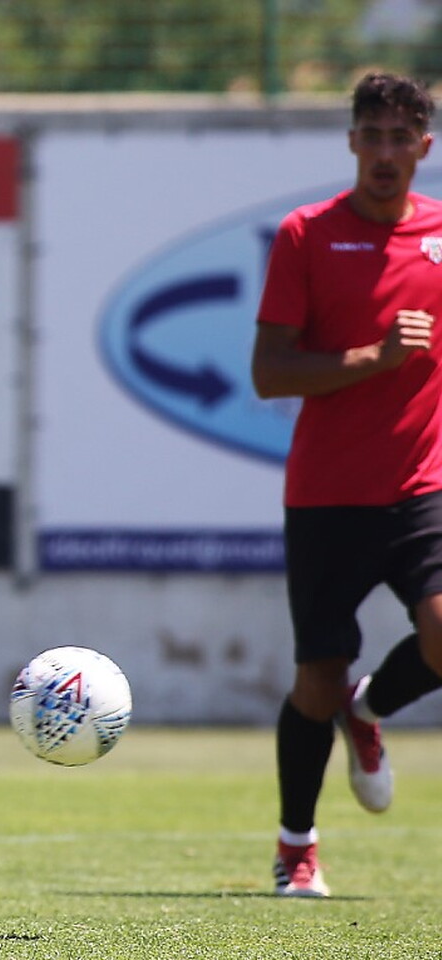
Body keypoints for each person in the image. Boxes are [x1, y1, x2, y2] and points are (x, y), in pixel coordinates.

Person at [252, 72, 442, 898]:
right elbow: (269, 372)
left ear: (424, 148)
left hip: (421, 489)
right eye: (374, 136)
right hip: (327, 497)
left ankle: (368, 711)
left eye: (403, 138)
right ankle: (296, 846)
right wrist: (375, 357)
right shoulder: (307, 234)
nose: (386, 154)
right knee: (315, 680)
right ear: (352, 143)